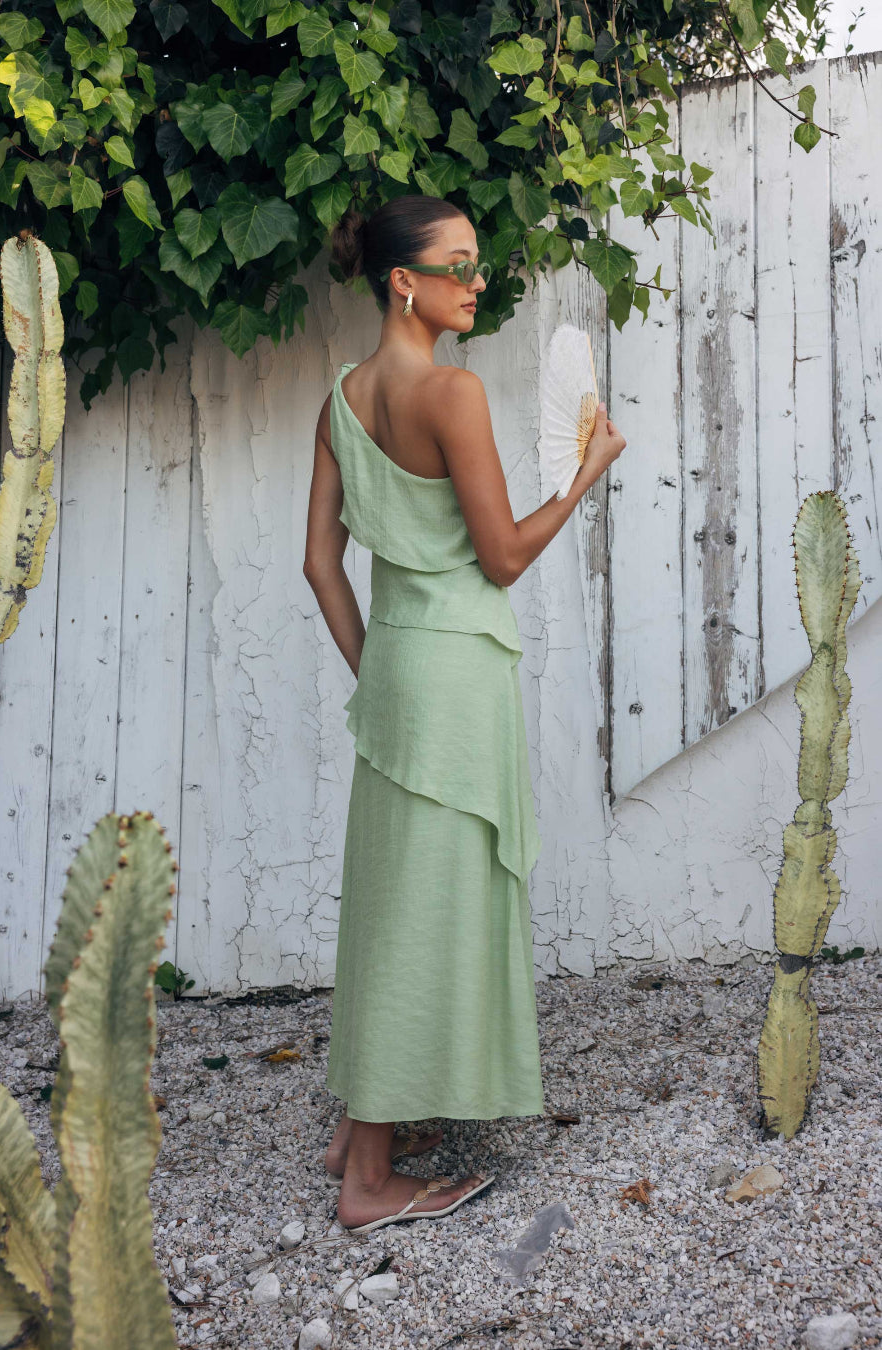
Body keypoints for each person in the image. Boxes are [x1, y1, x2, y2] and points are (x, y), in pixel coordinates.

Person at [303, 194, 626, 1236]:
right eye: (459, 265)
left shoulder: (341, 398)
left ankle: (366, 1134)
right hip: (457, 681)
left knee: (390, 906)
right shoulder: (454, 394)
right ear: (404, 281)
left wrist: (375, 675)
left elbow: (320, 565)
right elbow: (503, 557)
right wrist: (583, 477)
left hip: (400, 671)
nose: (476, 282)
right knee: (424, 913)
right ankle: (369, 1182)